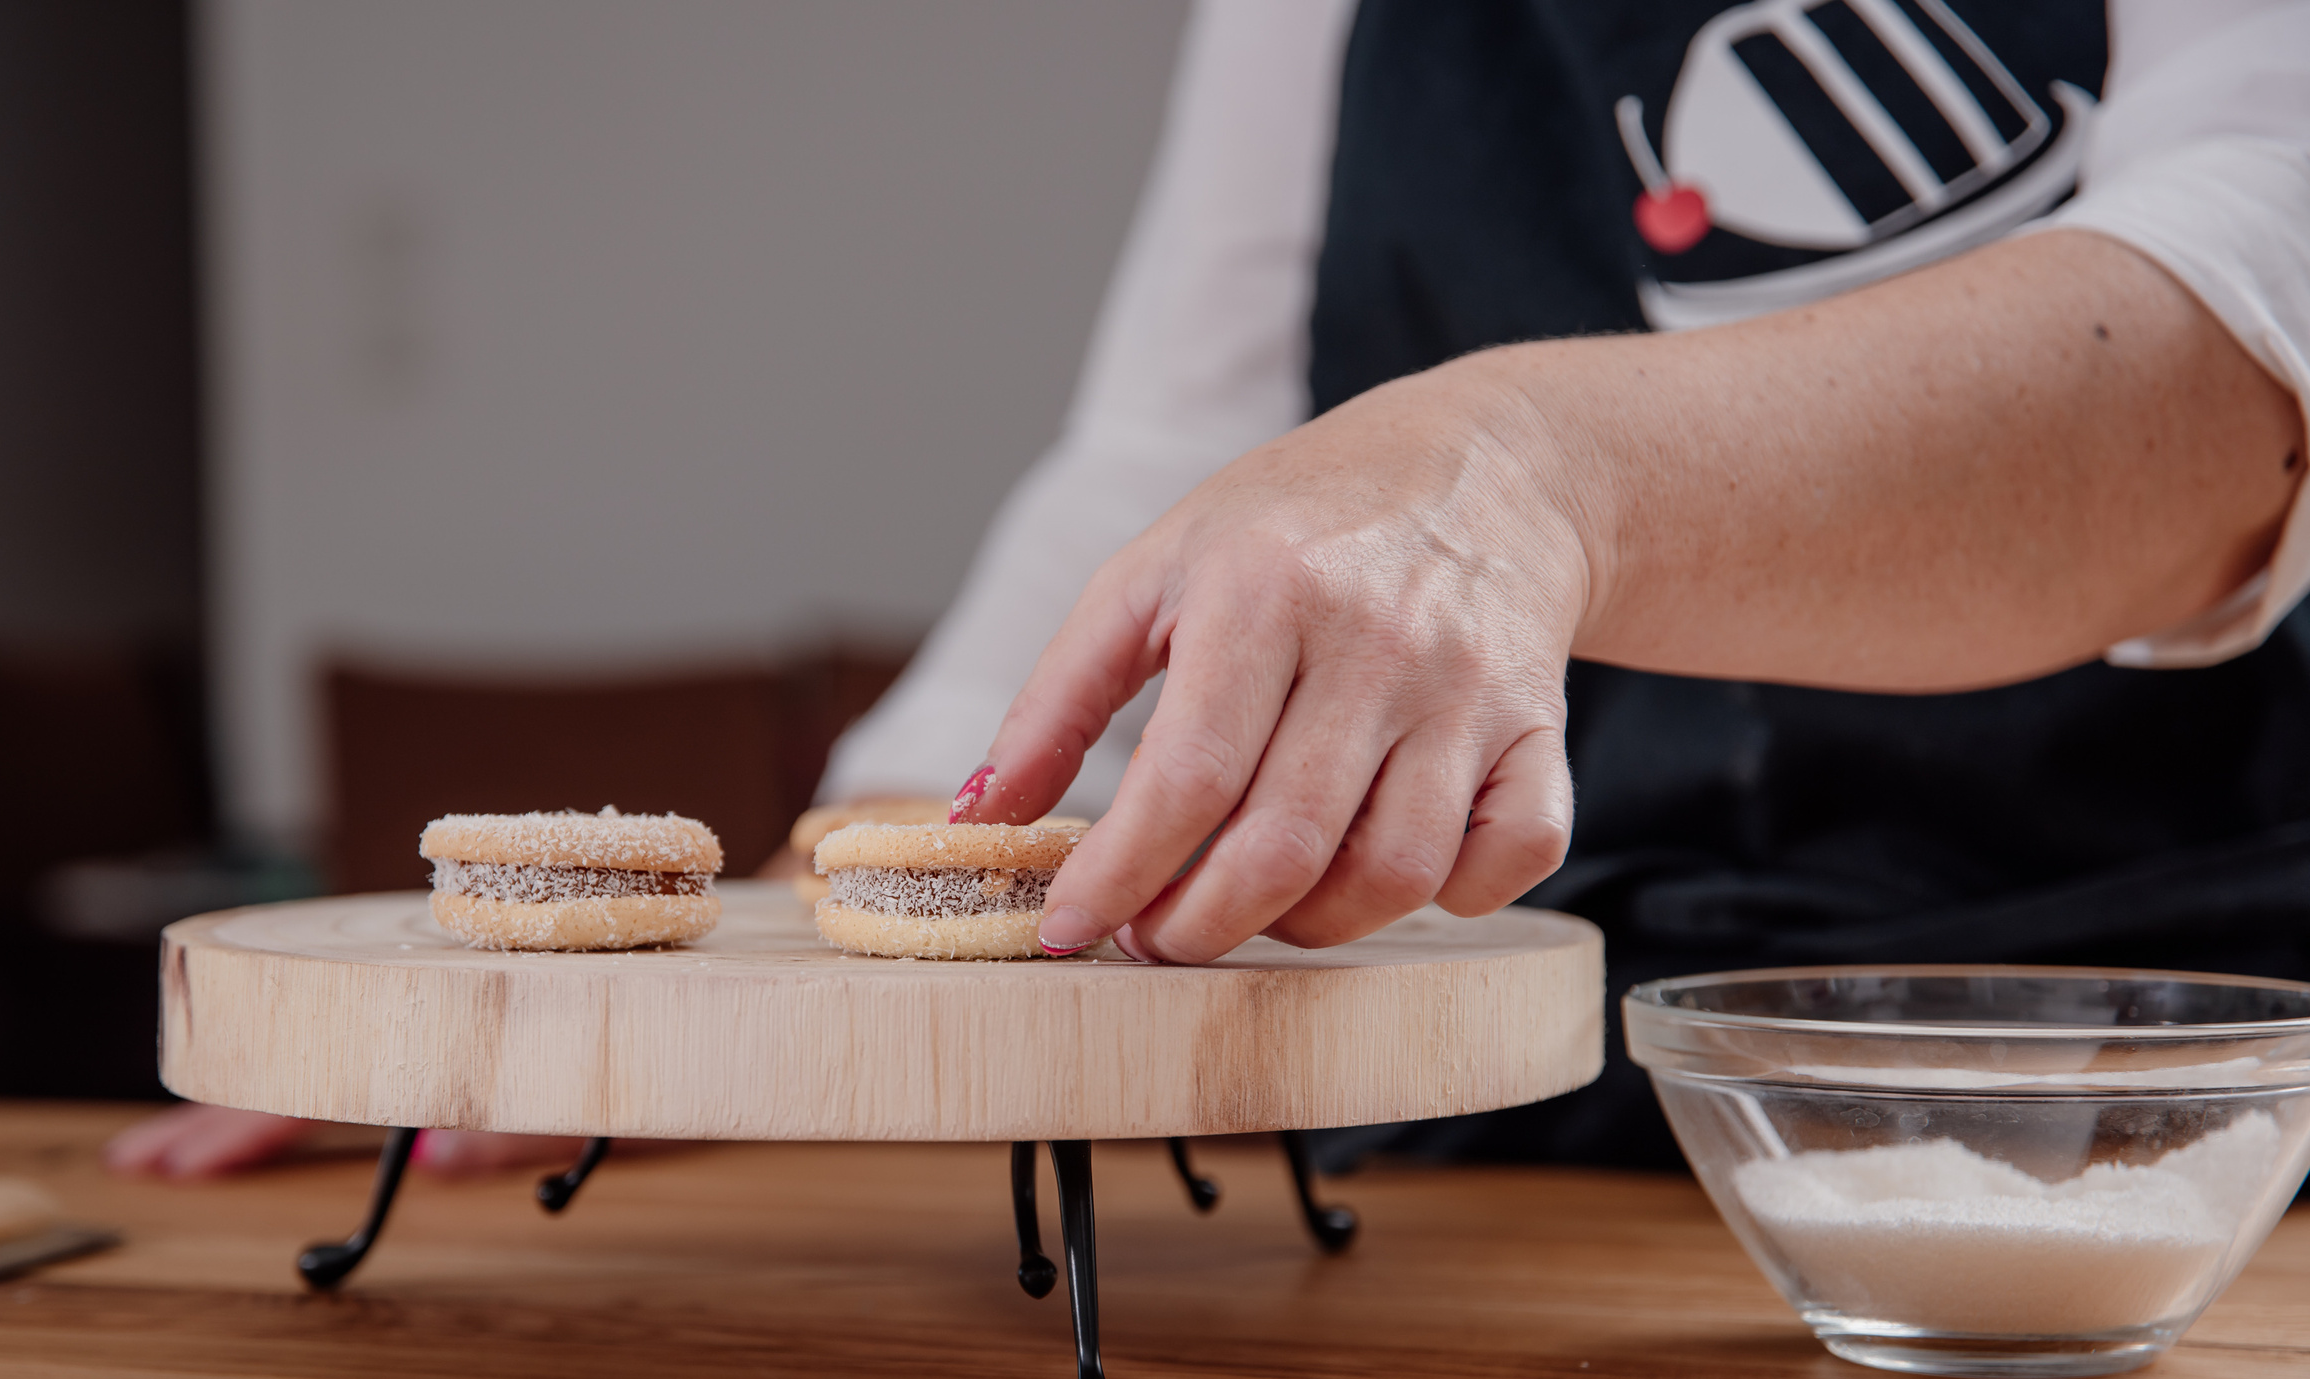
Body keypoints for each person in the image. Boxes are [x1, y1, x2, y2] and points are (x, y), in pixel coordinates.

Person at [117, 0, 2310, 1180]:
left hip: (2172, 1080)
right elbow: (1171, 457)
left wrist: (1524, 472)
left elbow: (2234, 366)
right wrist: (756, 974)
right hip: (1532, 1074)